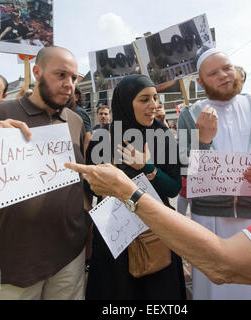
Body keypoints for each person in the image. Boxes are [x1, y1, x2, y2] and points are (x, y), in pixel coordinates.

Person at [67, 57, 251, 300]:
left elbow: (222, 261)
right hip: (124, 233)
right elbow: (192, 174)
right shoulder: (111, 136)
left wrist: (142, 176)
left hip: (193, 227)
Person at [0, 46, 91, 300]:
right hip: (12, 265)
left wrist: (86, 240)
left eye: (74, 78)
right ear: (37, 72)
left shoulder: (74, 121)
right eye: (61, 75)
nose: (69, 84)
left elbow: (77, 186)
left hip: (68, 258)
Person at [177, 48, 251, 300]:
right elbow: (185, 168)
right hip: (208, 219)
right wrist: (204, 140)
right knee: (211, 289)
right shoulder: (189, 115)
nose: (223, 75)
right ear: (200, 82)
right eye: (213, 73)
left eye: (227, 68)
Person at [84, 74, 186, 300]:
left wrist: (147, 167)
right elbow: (92, 189)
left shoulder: (162, 135)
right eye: (144, 99)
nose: (154, 106)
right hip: (116, 235)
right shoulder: (103, 137)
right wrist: (108, 176)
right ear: (125, 102)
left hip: (156, 232)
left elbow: (173, 189)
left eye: (155, 98)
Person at [69, 87, 92, 153]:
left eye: (69, 93)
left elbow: (87, 136)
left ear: (76, 97)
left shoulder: (78, 112)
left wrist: (84, 159)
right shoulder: (70, 112)